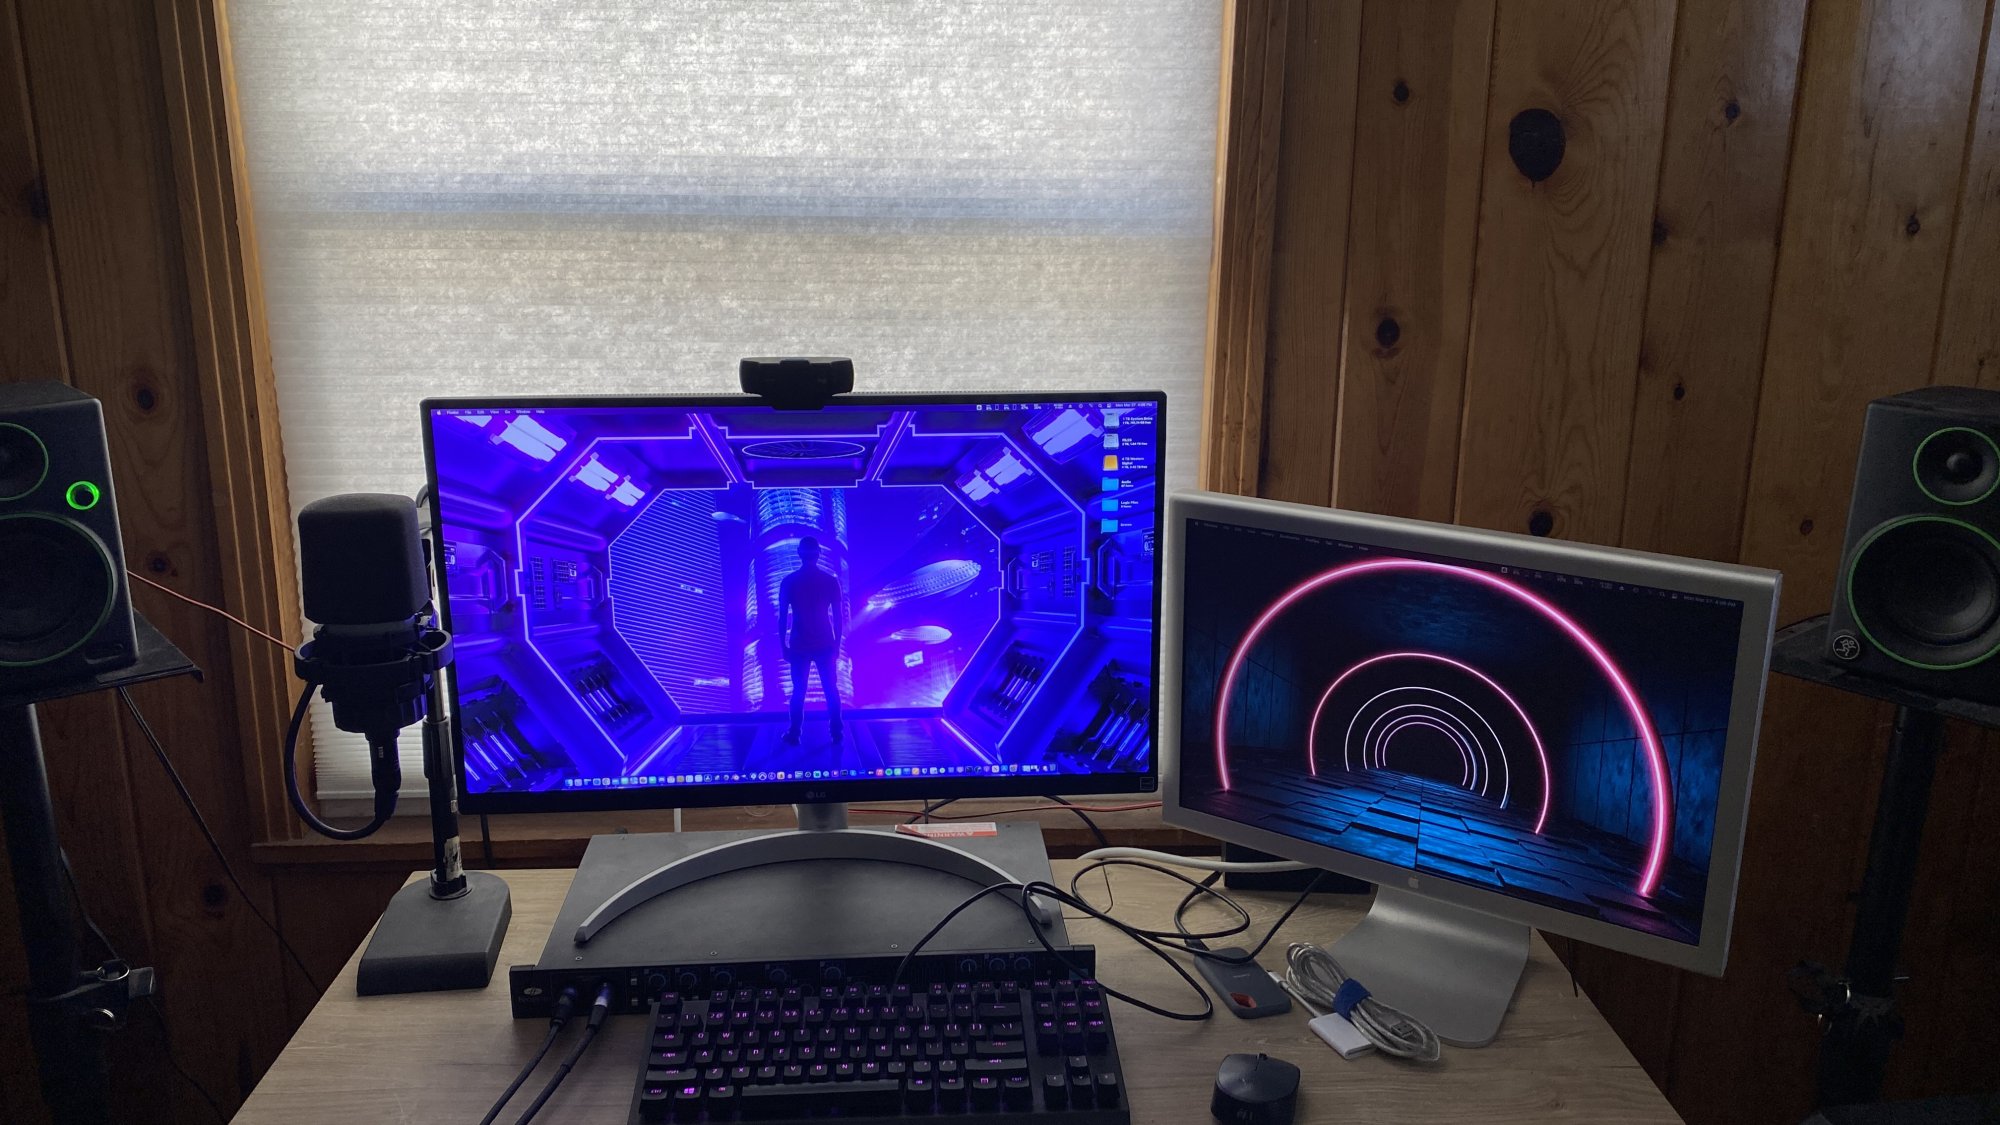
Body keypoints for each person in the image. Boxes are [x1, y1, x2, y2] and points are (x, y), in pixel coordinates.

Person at [778, 536, 843, 745]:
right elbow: (838, 618)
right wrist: (837, 645)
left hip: (799, 642)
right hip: (825, 641)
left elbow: (782, 617)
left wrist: (783, 646)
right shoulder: (830, 581)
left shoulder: (789, 581)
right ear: (819, 554)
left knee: (798, 691)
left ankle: (794, 733)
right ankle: (836, 732)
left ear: (799, 553)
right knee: (831, 689)